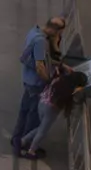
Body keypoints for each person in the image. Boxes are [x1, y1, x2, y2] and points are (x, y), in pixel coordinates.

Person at [13, 17, 67, 158]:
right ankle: (25, 145)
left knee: (24, 111)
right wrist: (48, 81)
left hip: (28, 80)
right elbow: (40, 66)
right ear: (55, 30)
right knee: (34, 116)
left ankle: (16, 139)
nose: (60, 36)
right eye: (60, 33)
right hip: (36, 84)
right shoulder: (41, 42)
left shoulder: (34, 31)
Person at [15, 67, 86, 160]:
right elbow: (66, 102)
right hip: (50, 110)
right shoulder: (68, 90)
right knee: (42, 131)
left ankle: (22, 141)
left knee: (40, 128)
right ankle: (31, 151)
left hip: (42, 103)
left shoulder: (60, 79)